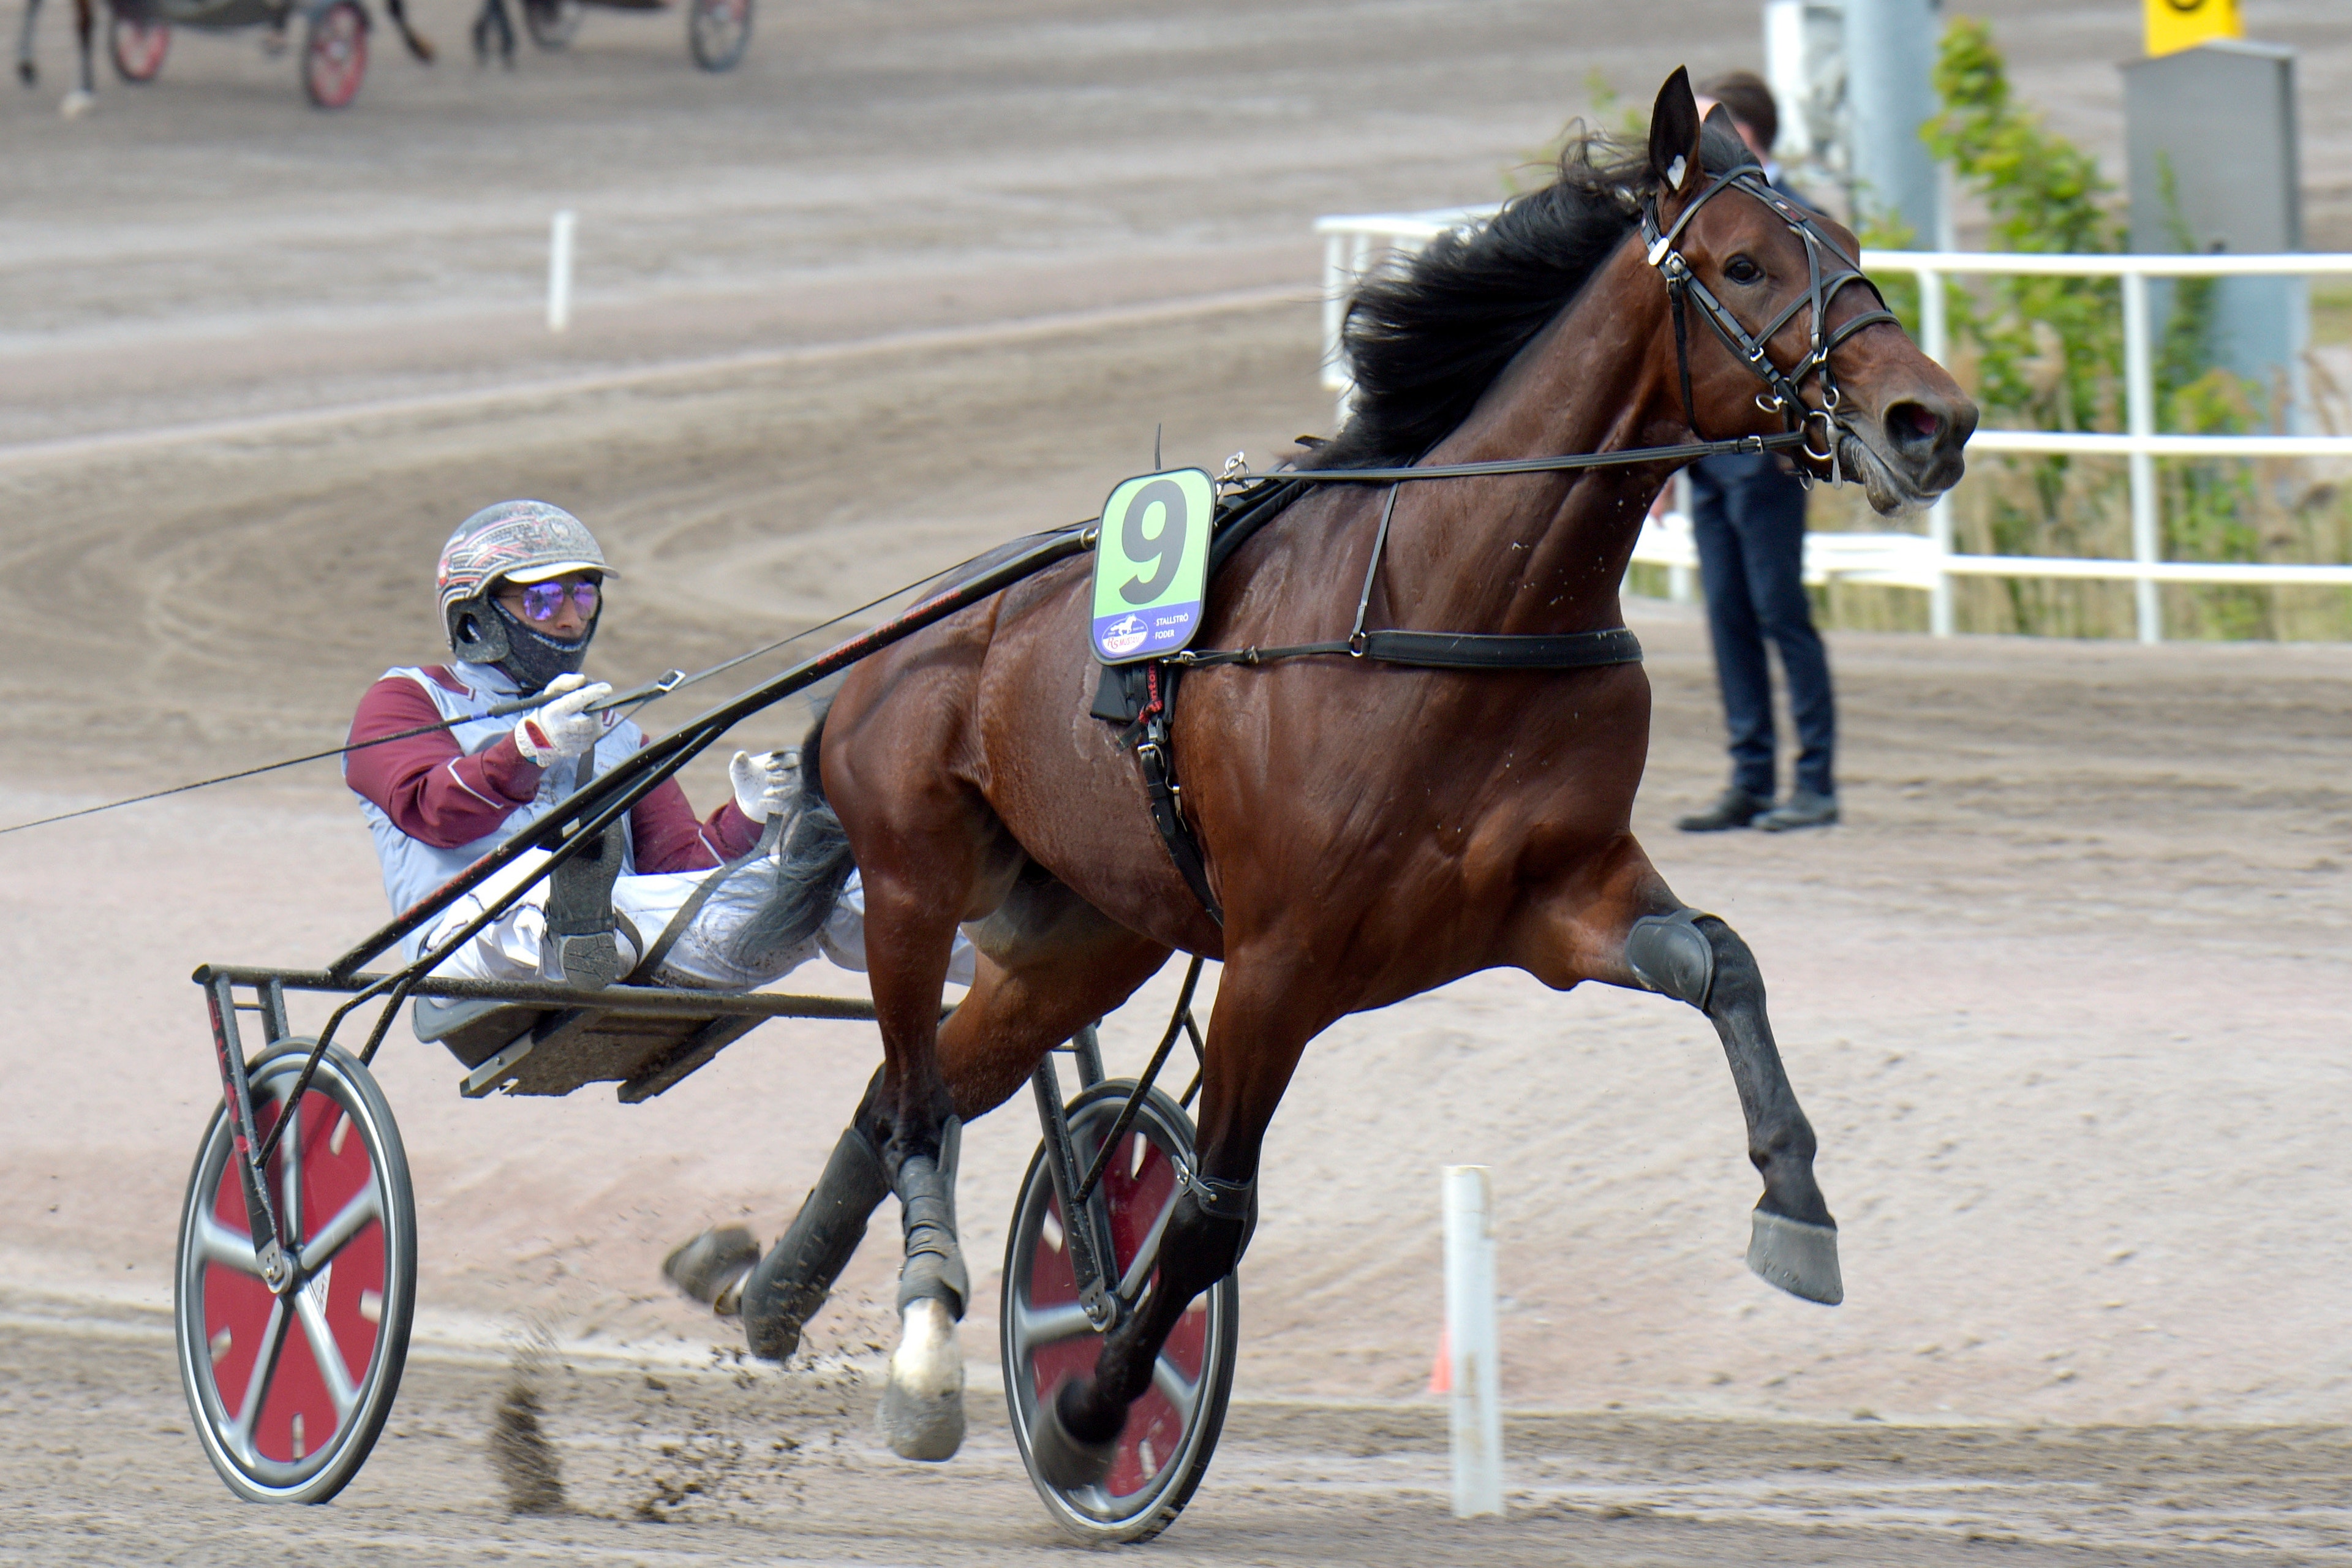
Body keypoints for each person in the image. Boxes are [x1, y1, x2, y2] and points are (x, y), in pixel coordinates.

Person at [344, 499, 971, 990]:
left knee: (826, 885)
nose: (569, 619)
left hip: (629, 920)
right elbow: (431, 811)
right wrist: (529, 746)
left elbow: (678, 868)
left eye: (582, 595)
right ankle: (581, 932)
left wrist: (748, 816)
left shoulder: (611, 728)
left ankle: (1016, 947)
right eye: (542, 599)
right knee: (544, 880)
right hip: (469, 939)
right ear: (476, 615)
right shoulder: (404, 700)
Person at [1672, 70, 1840, 834]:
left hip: (1768, 448)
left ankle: (1813, 779)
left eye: (1706, 127)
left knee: (1778, 608)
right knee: (1728, 611)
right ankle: (1750, 774)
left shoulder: (1796, 220)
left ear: (1743, 135)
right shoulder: (1715, 220)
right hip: (1712, 449)